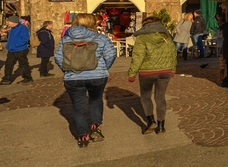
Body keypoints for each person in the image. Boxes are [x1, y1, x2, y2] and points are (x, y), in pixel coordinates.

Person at [55, 14, 116, 147]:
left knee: (78, 107)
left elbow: (58, 57)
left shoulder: (65, 39)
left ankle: (82, 136)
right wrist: (103, 68)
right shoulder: (101, 38)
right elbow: (111, 55)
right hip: (97, 76)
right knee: (96, 100)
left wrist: (67, 71)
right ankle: (95, 127)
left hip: (73, 77)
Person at [128, 15, 177, 134]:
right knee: (160, 98)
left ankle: (150, 121)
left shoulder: (142, 37)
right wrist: (173, 69)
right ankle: (161, 126)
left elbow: (138, 57)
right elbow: (173, 53)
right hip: (165, 71)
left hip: (147, 72)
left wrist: (132, 73)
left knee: (145, 96)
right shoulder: (166, 35)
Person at [0, 16, 33, 84]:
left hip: (20, 49)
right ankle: (7, 79)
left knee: (23, 64)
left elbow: (25, 38)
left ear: (13, 22)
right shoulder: (12, 28)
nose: (7, 23)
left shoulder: (22, 28)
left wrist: (16, 45)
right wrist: (8, 45)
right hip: (11, 50)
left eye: (8, 21)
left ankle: (28, 77)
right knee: (8, 64)